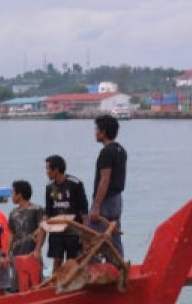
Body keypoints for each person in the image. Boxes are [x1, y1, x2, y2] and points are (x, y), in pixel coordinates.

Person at [36, 155, 88, 273]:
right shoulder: (49, 188)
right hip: (56, 231)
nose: (47, 172)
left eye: (48, 169)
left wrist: (85, 237)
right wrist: (39, 244)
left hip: (74, 232)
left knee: (73, 263)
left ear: (56, 170)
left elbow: (84, 212)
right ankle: (55, 286)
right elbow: (48, 213)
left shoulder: (75, 184)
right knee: (57, 262)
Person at [90, 113, 127, 256]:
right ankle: (120, 267)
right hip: (117, 199)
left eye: (97, 129)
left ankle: (95, 271)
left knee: (94, 236)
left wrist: (96, 206)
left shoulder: (106, 152)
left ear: (103, 132)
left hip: (106, 200)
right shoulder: (120, 150)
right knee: (114, 233)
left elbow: (105, 179)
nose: (95, 132)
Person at [5, 180, 46, 290]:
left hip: (32, 254)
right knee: (18, 286)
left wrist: (38, 249)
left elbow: (43, 230)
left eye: (13, 192)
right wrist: (7, 254)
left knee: (35, 284)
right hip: (16, 255)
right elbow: (11, 234)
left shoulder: (37, 209)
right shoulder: (12, 213)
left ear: (19, 194)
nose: (11, 196)